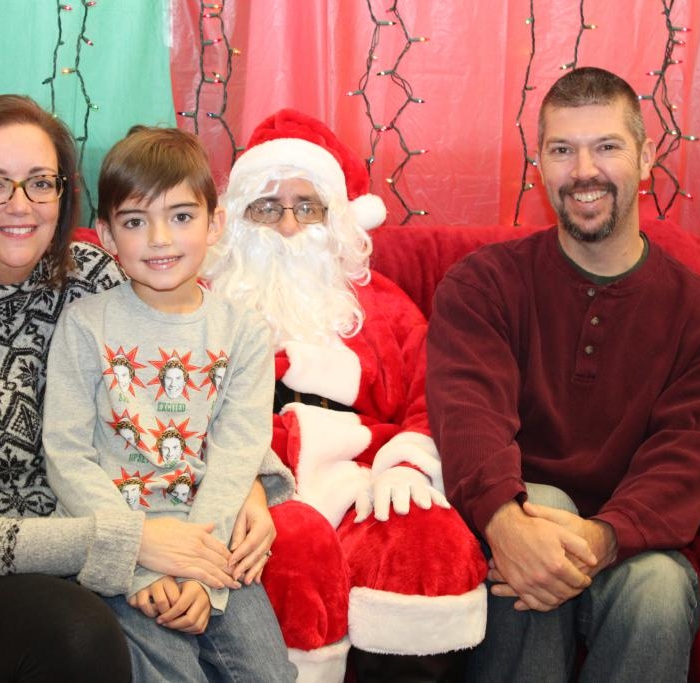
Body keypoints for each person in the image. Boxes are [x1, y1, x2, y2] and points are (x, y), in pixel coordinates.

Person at [0, 95, 284, 682]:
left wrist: (247, 487)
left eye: (39, 183)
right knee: (80, 635)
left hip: (123, 534)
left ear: (62, 197)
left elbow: (196, 377)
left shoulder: (98, 275)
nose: (20, 205)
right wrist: (133, 543)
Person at [426, 66, 700, 682]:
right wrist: (505, 521)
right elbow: (467, 414)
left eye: (606, 147)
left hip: (641, 541)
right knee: (534, 515)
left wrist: (602, 539)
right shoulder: (482, 284)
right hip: (513, 516)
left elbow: (689, 460)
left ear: (646, 156)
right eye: (562, 150)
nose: (583, 172)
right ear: (540, 165)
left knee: (656, 586)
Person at [203, 109, 488, 682]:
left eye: (307, 206)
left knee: (423, 541)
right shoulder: (204, 299)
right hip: (253, 476)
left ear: (336, 218)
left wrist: (408, 463)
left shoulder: (379, 302)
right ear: (237, 218)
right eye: (267, 207)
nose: (288, 226)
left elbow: (438, 390)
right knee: (293, 548)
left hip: (362, 475)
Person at [42, 125, 296, 681]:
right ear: (107, 236)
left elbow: (236, 454)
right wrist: (133, 560)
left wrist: (202, 571)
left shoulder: (245, 332)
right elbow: (65, 453)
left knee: (268, 674)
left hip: (210, 539)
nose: (160, 238)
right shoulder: (85, 325)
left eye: (181, 216)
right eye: (136, 221)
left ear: (216, 223)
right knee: (169, 671)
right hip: (117, 544)